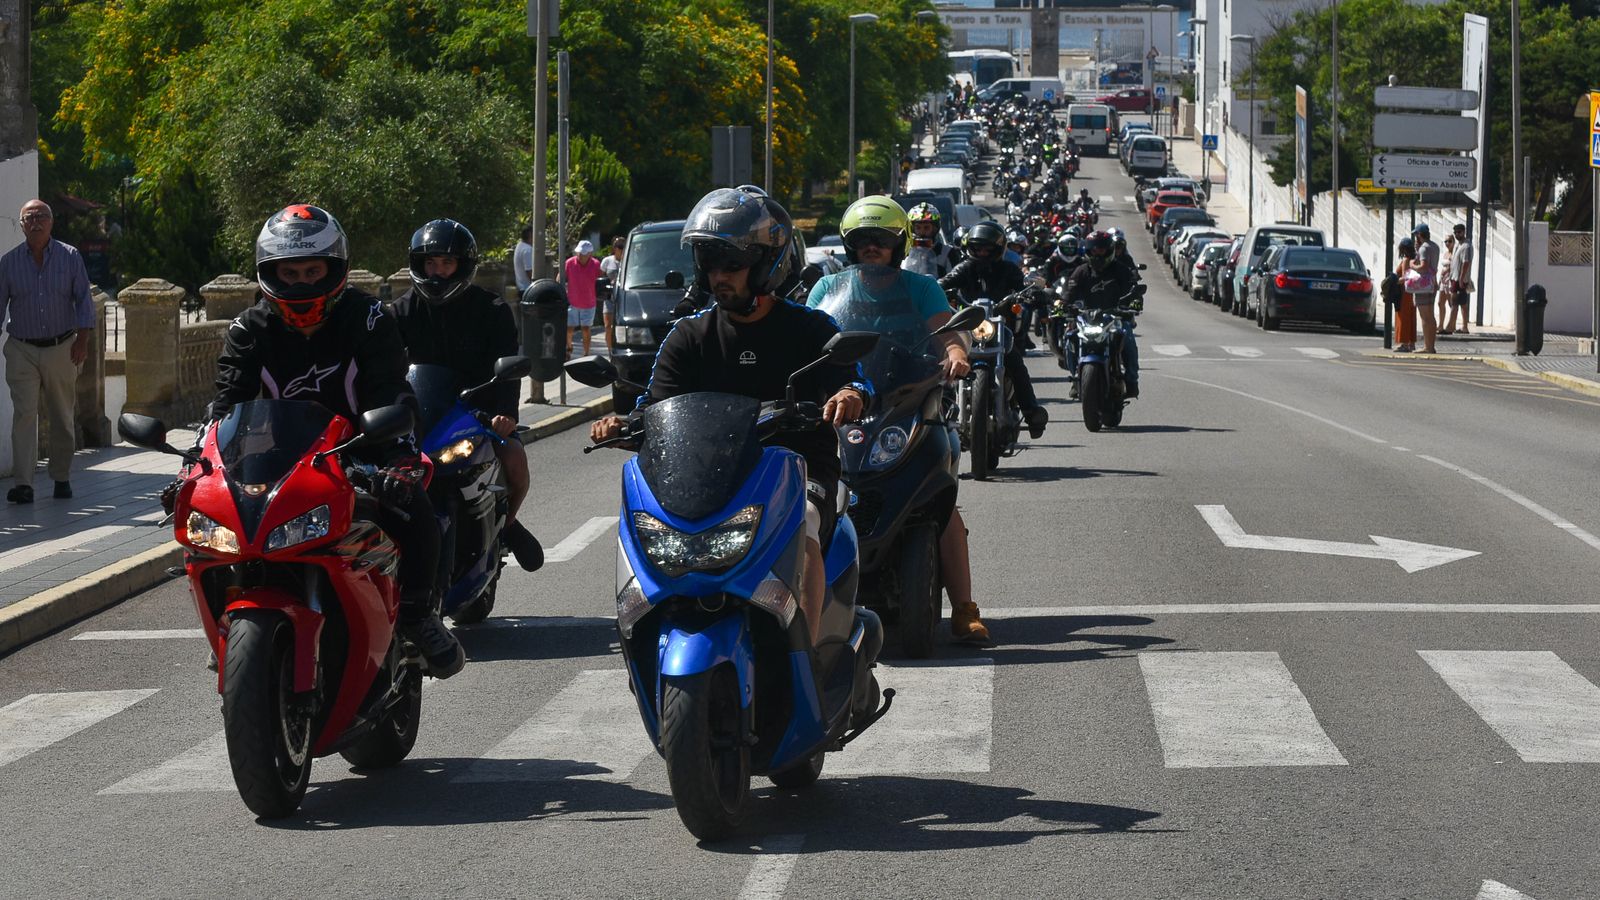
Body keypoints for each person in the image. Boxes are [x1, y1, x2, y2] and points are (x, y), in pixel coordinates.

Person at [589, 186, 870, 644]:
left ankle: (807, 661)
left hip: (797, 468)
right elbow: (655, 405)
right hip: (710, 476)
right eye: (711, 265)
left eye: (732, 265)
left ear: (765, 265)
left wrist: (849, 393)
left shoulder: (810, 328)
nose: (720, 276)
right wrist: (624, 424)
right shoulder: (688, 336)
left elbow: (854, 378)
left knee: (806, 540)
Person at [210, 204, 464, 677]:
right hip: (277, 465)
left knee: (418, 506)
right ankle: (228, 617)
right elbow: (226, 405)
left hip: (361, 455)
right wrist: (199, 466)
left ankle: (416, 614)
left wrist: (399, 459)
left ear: (336, 270)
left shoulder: (367, 318)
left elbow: (391, 387)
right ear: (271, 273)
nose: (303, 282)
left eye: (313, 270)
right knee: (210, 536)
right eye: (291, 272)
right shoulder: (248, 330)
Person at [814, 196, 989, 642]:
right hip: (840, 405)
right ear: (850, 245)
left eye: (881, 239)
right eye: (862, 240)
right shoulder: (826, 290)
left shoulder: (921, 288)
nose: (872, 247)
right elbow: (809, 341)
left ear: (900, 243)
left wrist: (954, 354)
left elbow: (948, 333)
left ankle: (965, 607)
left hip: (909, 400)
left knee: (939, 495)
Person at [390, 218, 544, 574]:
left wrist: (504, 413)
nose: (438, 272)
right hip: (417, 417)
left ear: (463, 265)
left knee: (516, 460)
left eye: (446, 263)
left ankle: (507, 526)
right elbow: (382, 368)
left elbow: (507, 367)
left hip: (476, 414)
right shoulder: (400, 312)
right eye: (430, 263)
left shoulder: (491, 311)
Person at [0, 200, 95, 504]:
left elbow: (83, 301)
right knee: (25, 415)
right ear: (22, 224)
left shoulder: (69, 257)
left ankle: (61, 477)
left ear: (51, 223)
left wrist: (82, 340)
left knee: (61, 414)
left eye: (42, 217)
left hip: (61, 347)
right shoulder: (9, 262)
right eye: (30, 218)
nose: (36, 222)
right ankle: (24, 484)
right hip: (22, 348)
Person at [938, 220, 1049, 438]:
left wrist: (1034, 292)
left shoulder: (1008, 269)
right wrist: (935, 289)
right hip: (968, 328)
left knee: (1015, 362)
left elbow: (1023, 285)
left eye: (987, 248)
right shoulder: (965, 268)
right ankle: (937, 412)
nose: (982, 253)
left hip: (999, 327)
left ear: (998, 249)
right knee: (943, 363)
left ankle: (1030, 410)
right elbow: (946, 281)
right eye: (977, 248)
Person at [1062, 230, 1143, 398]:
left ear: (1109, 250)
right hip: (1086, 319)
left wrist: (1134, 302)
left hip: (1115, 318)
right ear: (1088, 251)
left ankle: (1131, 380)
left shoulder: (1121, 270)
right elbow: (1068, 293)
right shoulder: (1081, 271)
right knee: (1069, 336)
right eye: (1094, 250)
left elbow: (1133, 290)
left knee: (1128, 338)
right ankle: (1076, 378)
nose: (1098, 253)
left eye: (1102, 250)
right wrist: (1061, 304)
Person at [563, 240, 601, 357]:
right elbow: (561, 277)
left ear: (590, 254)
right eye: (579, 252)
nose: (580, 255)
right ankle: (568, 347)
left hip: (589, 302)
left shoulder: (596, 264)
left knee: (586, 329)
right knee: (569, 329)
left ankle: (586, 353)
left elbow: (600, 280)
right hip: (572, 302)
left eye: (583, 253)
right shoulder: (569, 263)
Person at [904, 202, 961, 278]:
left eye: (926, 227)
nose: (922, 232)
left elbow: (956, 279)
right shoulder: (904, 252)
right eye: (918, 228)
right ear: (912, 229)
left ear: (935, 228)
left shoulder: (947, 252)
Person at [1407, 224, 1439, 354]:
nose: (1416, 237)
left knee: (1425, 317)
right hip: (1432, 283)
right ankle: (1431, 345)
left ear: (1420, 235)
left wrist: (1412, 265)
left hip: (1423, 286)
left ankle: (1428, 346)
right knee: (1431, 316)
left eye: (1416, 235)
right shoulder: (1435, 246)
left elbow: (1424, 267)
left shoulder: (1423, 249)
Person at [1442, 222, 1473, 335]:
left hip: (1460, 279)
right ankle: (1463, 327)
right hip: (1454, 277)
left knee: (1455, 303)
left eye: (1459, 232)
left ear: (1464, 232)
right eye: (1455, 232)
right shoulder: (1458, 245)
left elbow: (1466, 263)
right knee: (1461, 303)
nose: (1457, 234)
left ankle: (1450, 327)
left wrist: (1461, 278)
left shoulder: (1466, 246)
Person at [598, 236, 625, 353]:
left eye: (623, 246)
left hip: (622, 297)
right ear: (614, 248)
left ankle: (618, 347)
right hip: (609, 297)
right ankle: (610, 350)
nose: (621, 249)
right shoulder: (607, 261)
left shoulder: (629, 261)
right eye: (619, 246)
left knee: (619, 326)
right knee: (608, 326)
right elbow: (601, 277)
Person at [1392, 237, 1418, 353]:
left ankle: (1404, 343)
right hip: (1411, 292)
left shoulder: (1406, 260)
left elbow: (1405, 277)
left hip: (1403, 292)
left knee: (1402, 317)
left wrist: (1393, 281)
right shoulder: (1414, 259)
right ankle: (1411, 342)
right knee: (1410, 316)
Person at [513, 225, 534, 295]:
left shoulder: (520, 245)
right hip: (527, 289)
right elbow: (529, 271)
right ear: (531, 235)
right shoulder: (527, 250)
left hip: (521, 287)